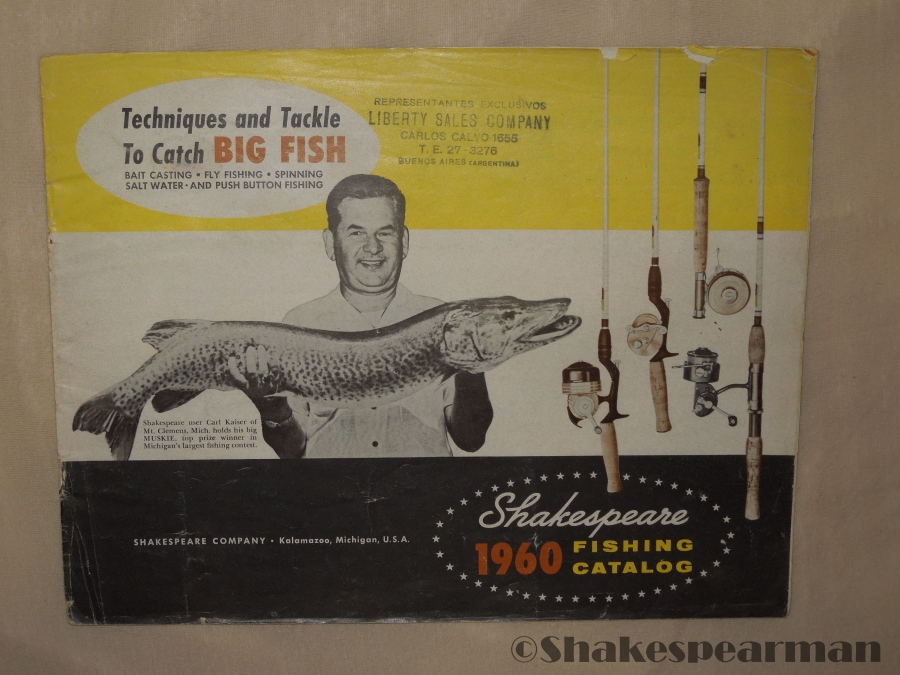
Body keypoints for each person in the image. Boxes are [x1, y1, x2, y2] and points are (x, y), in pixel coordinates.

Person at [239, 174, 493, 458]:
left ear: (404, 240)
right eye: (356, 233)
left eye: (385, 232)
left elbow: (471, 439)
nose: (373, 247)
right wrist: (271, 409)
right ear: (330, 243)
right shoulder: (299, 323)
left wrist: (473, 364)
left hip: (421, 484)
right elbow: (291, 451)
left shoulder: (446, 323)